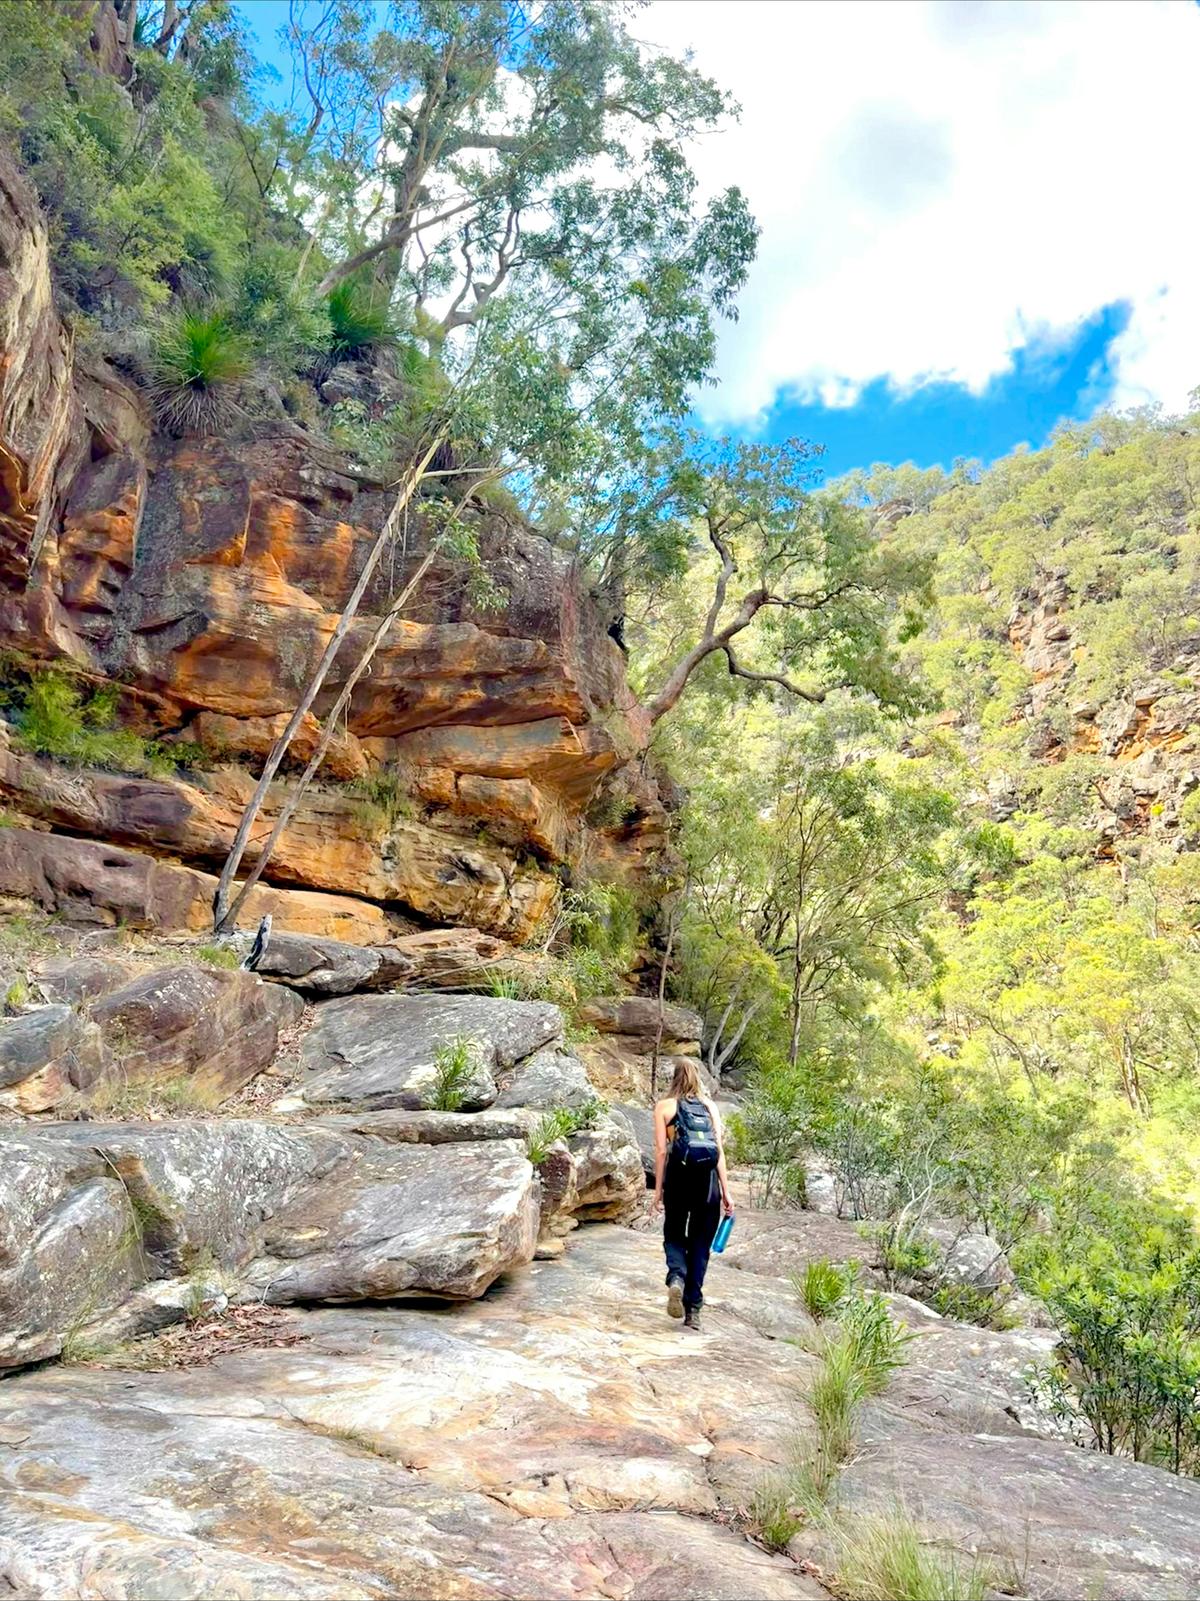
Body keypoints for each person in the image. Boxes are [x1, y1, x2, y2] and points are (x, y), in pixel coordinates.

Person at [650, 1058, 734, 1331]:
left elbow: (662, 1152)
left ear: (673, 1078)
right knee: (700, 1245)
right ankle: (693, 1310)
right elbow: (718, 1151)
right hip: (706, 1184)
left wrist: (658, 1191)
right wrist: (726, 1192)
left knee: (674, 1232)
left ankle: (676, 1277)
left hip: (678, 1179)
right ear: (698, 1078)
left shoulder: (664, 1107)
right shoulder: (710, 1108)